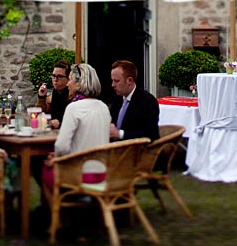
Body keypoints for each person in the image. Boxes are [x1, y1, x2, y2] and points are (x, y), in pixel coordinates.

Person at [41, 62, 110, 199]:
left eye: (71, 80)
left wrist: (56, 157)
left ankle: (58, 216)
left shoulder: (74, 108)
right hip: (102, 173)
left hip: (78, 174)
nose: (68, 84)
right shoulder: (103, 107)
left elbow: (61, 146)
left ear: (80, 83)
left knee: (45, 170)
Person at [108, 59, 160, 142]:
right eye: (112, 80)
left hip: (137, 151)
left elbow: (151, 135)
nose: (113, 85)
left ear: (129, 81)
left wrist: (120, 134)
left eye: (116, 81)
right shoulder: (117, 99)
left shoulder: (148, 101)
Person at [36, 59, 72, 129]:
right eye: (53, 76)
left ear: (68, 79)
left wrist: (60, 123)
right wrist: (42, 97)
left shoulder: (73, 97)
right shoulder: (51, 97)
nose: (55, 79)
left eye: (60, 76)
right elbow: (39, 114)